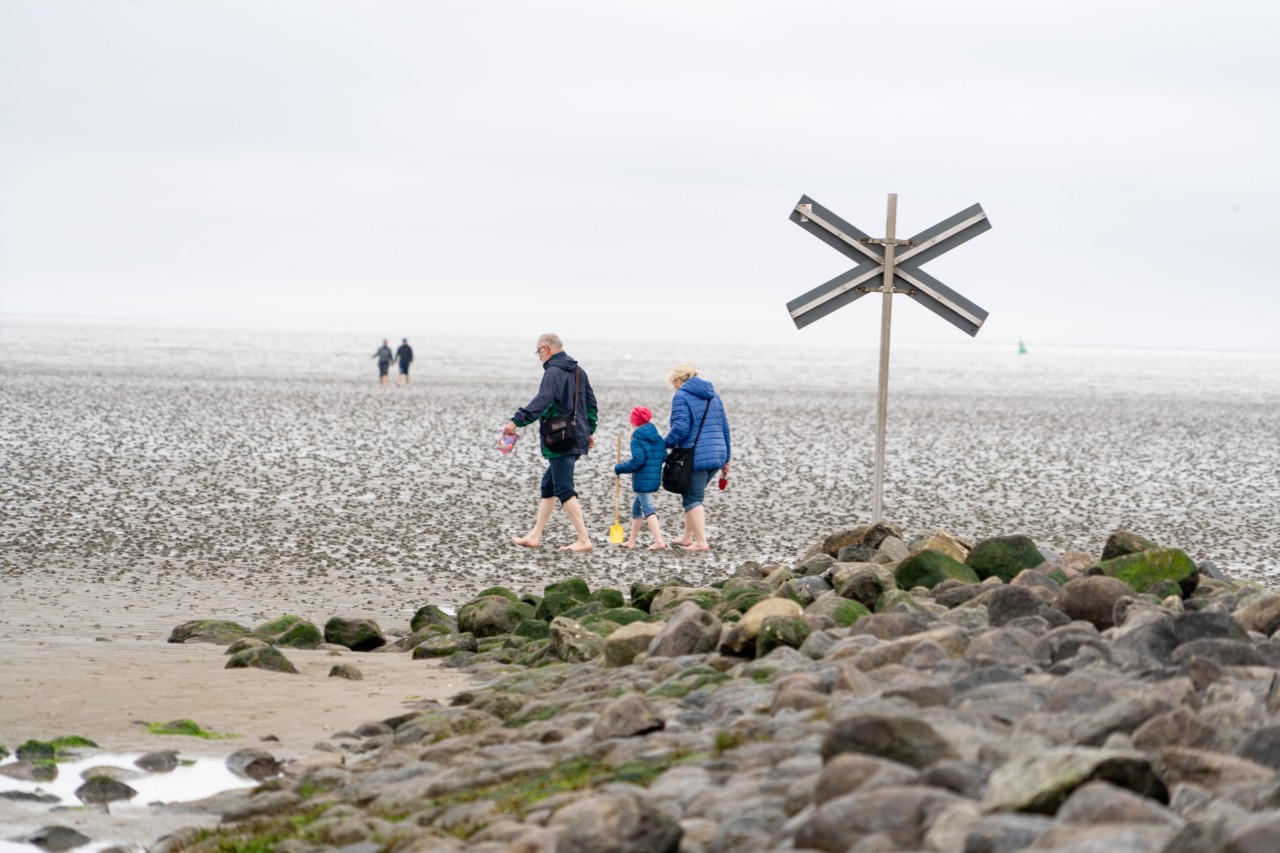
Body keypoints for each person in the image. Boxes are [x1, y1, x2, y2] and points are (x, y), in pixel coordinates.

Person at [503, 333, 598, 551]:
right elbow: (590, 404)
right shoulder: (578, 371)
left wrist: (516, 421)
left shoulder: (553, 373)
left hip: (560, 439)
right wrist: (589, 430)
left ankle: (584, 540)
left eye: (538, 352)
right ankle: (535, 535)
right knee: (549, 486)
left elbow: (542, 401)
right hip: (577, 436)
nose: (538, 357)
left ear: (546, 349)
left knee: (564, 489)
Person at [663, 364, 730, 551]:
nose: (674, 387)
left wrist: (663, 444)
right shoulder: (713, 395)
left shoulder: (681, 396)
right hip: (717, 453)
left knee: (693, 497)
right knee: (689, 494)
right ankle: (687, 537)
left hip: (695, 455)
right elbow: (725, 427)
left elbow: (680, 429)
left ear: (678, 380)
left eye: (673, 383)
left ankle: (701, 543)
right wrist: (727, 458)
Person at [614, 406, 666, 550]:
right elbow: (663, 456)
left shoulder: (637, 439)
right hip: (654, 478)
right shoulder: (658, 438)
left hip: (643, 480)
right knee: (636, 508)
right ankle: (631, 541)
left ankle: (659, 541)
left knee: (648, 508)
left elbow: (638, 461)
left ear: (634, 422)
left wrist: (620, 468)